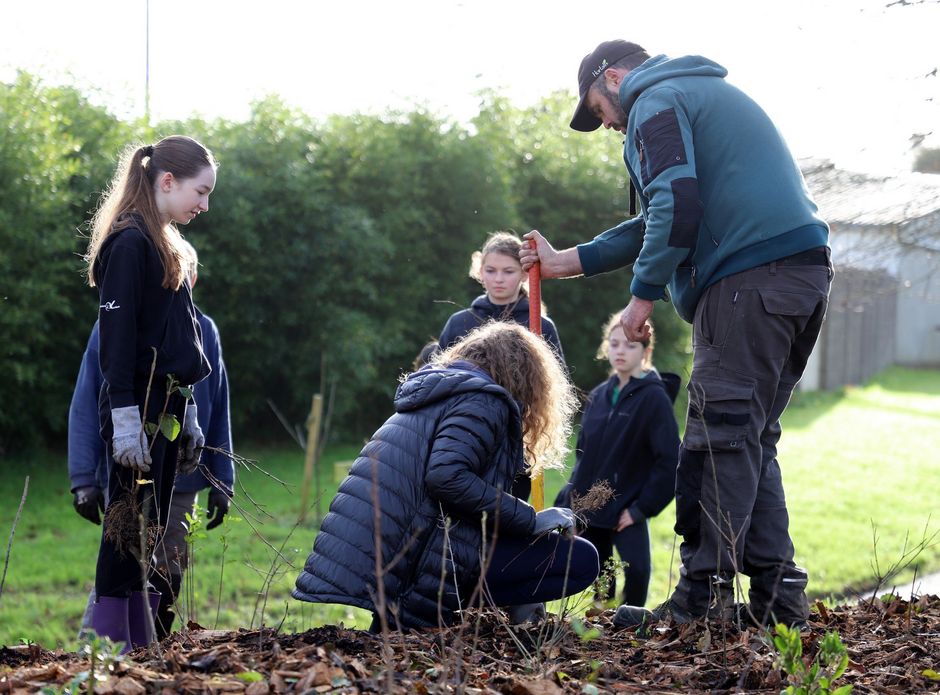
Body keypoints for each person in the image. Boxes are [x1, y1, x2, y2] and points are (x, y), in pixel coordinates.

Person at [521, 40, 833, 630]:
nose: (610, 125)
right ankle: (778, 600)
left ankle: (701, 601)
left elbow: (676, 205)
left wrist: (641, 298)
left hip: (748, 281)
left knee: (718, 437)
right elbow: (656, 218)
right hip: (797, 275)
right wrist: (570, 261)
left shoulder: (655, 102)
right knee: (749, 439)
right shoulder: (694, 93)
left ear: (614, 78)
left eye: (600, 110)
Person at [293, 322, 599, 630]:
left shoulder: (441, 391)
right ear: (526, 377)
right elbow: (446, 477)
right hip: (413, 555)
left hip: (384, 547)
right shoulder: (484, 401)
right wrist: (531, 520)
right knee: (581, 559)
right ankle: (449, 617)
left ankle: (423, 620)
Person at [82, 135, 217, 650]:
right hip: (135, 409)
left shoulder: (167, 245)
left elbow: (175, 341)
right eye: (200, 192)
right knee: (125, 530)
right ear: (166, 181)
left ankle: (143, 647)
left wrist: (190, 411)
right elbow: (116, 343)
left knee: (154, 528)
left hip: (167, 407)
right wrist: (122, 416)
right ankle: (111, 650)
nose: (203, 205)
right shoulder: (130, 243)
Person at [70, 240, 233, 640]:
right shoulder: (114, 326)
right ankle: (105, 648)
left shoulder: (203, 331)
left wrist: (222, 479)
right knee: (126, 556)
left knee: (170, 563)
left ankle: (154, 644)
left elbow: (218, 402)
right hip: (131, 462)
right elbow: (90, 397)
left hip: (185, 477)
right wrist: (84, 480)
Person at [556, 315, 679, 608]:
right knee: (601, 577)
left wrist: (640, 509)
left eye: (630, 345)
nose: (621, 351)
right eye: (614, 344)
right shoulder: (598, 397)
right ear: (606, 348)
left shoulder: (654, 399)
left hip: (628, 507)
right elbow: (583, 457)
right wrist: (573, 503)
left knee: (637, 571)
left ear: (646, 352)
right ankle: (602, 631)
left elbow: (669, 461)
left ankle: (631, 628)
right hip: (594, 506)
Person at [438, 231, 565, 365]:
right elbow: (437, 375)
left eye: (508, 271)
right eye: (490, 271)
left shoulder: (541, 325)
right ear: (480, 272)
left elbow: (556, 382)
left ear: (524, 274)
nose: (499, 279)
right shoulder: (458, 323)